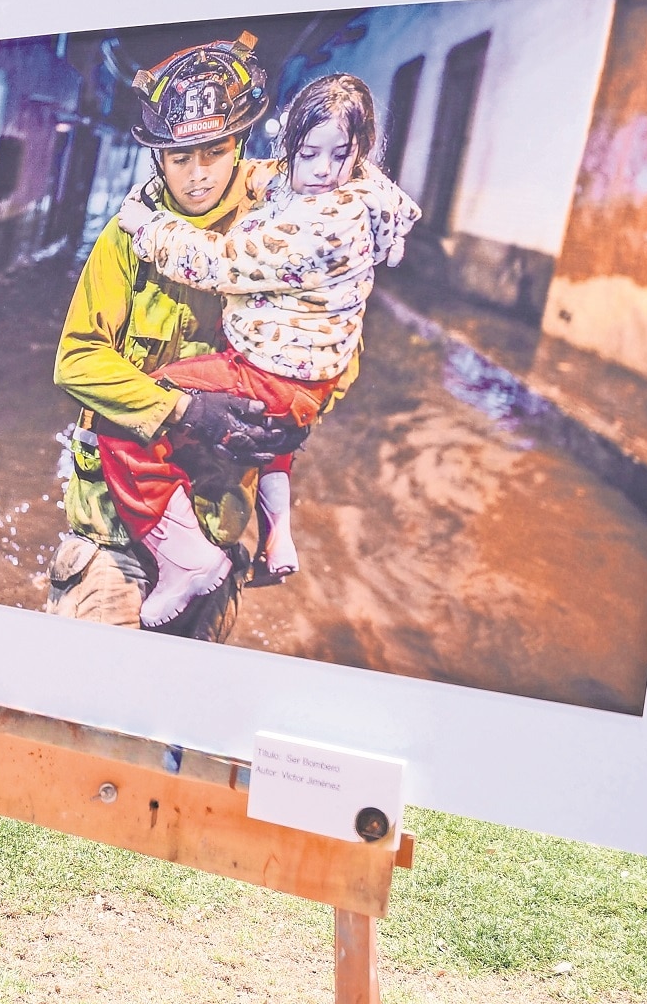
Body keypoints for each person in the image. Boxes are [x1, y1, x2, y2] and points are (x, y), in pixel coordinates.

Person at [102, 73, 419, 616]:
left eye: (338, 154)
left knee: (134, 417)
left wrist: (148, 227)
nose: (321, 170)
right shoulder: (357, 189)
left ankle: (184, 561)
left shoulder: (322, 226)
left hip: (270, 373)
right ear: (289, 147)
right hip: (306, 379)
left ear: (358, 151)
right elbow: (285, 181)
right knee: (273, 440)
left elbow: (223, 263)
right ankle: (278, 536)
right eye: (309, 153)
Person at [48, 33, 308, 634]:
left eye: (213, 153)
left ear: (239, 147)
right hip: (113, 528)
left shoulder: (275, 241)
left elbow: (330, 347)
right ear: (157, 159)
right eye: (179, 158)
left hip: (217, 531)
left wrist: (297, 417)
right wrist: (185, 411)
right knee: (72, 700)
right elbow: (77, 361)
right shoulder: (126, 239)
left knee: (176, 717)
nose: (196, 175)